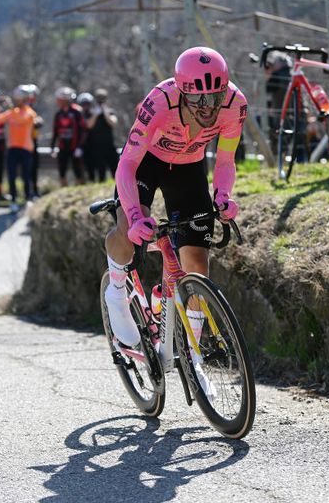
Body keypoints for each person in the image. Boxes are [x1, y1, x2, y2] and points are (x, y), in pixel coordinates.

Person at [103, 47, 244, 391]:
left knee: (196, 260)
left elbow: (225, 161)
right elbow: (127, 164)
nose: (209, 108)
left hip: (189, 167)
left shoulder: (235, 104)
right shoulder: (159, 103)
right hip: (146, 164)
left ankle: (194, 359)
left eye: (215, 97)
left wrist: (223, 196)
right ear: (182, 93)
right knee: (127, 229)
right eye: (199, 101)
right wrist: (136, 216)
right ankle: (117, 292)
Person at [0, 85, 37, 206]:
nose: (17, 101)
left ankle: (28, 198)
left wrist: (11, 107)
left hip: (26, 148)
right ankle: (13, 200)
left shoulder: (30, 113)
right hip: (12, 148)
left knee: (26, 175)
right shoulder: (11, 112)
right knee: (11, 176)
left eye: (19, 98)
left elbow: (21, 120)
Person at [51, 87, 87, 186]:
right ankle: (63, 187)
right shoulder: (59, 114)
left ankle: (79, 187)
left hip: (74, 146)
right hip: (63, 146)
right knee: (62, 168)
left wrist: (79, 146)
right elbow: (55, 131)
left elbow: (83, 130)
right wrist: (53, 147)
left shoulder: (77, 112)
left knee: (77, 168)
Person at [85, 88, 119, 182]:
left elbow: (113, 123)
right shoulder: (92, 112)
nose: (101, 100)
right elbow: (89, 125)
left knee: (115, 167)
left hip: (109, 144)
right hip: (96, 146)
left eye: (103, 98)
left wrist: (105, 113)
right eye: (99, 98)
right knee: (100, 170)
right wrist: (96, 114)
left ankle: (116, 185)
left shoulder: (110, 111)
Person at [24, 84, 43, 198]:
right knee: (26, 168)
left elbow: (38, 122)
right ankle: (28, 192)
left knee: (34, 167)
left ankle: (34, 190)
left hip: (33, 140)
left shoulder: (34, 107)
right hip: (23, 142)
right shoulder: (23, 107)